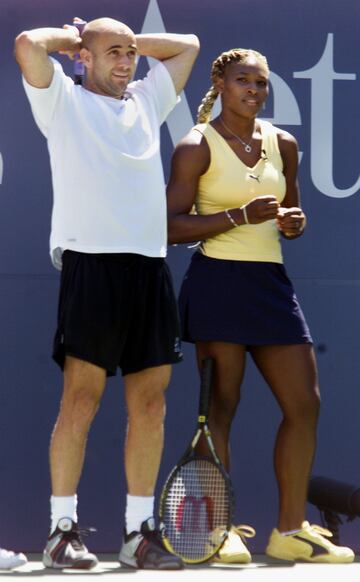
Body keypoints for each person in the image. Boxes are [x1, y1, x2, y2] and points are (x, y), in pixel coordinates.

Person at [14, 17, 199, 570]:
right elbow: (27, 44)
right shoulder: (61, 102)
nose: (126, 62)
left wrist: (124, 42)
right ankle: (60, 532)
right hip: (90, 267)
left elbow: (188, 45)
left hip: (149, 269)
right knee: (81, 401)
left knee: (150, 403)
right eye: (112, 54)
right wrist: (80, 40)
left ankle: (138, 534)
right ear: (83, 60)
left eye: (131, 54)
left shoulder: (146, 98)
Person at [166, 47, 355, 564]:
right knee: (221, 409)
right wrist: (238, 216)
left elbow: (292, 213)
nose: (253, 90)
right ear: (221, 86)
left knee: (305, 404)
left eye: (262, 83)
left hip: (270, 284)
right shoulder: (195, 145)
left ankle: (289, 531)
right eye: (243, 80)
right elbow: (169, 224)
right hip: (217, 283)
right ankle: (221, 530)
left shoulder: (284, 143)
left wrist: (294, 223)